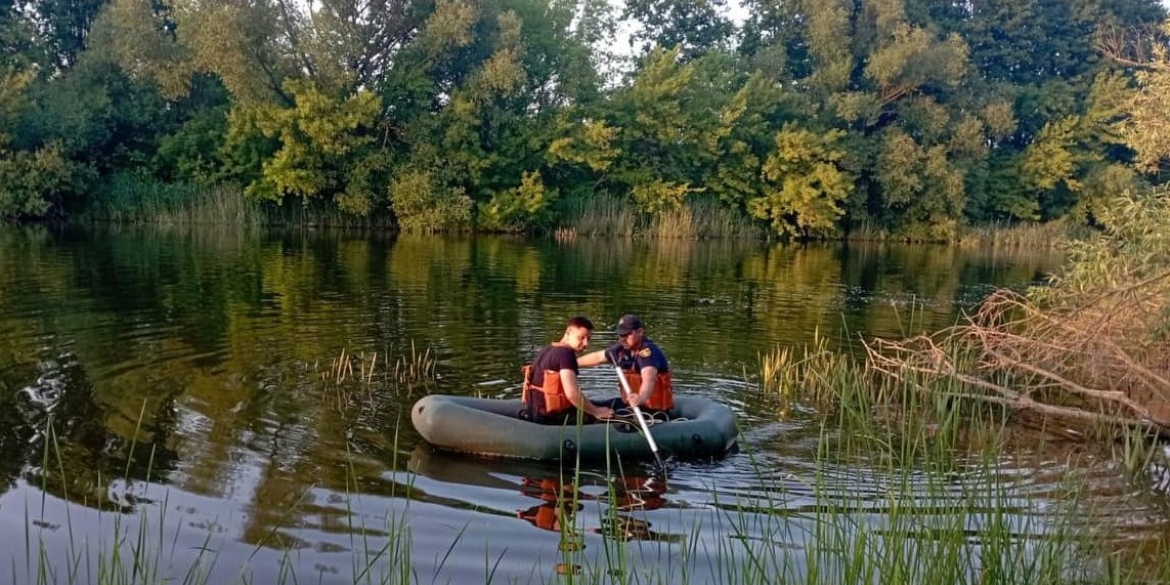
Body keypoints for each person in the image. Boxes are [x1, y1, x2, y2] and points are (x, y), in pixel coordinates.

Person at [521, 316, 616, 425]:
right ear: (568, 332)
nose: (586, 343)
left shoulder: (547, 349)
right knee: (614, 408)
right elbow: (572, 394)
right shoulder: (566, 354)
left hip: (534, 412)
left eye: (588, 339)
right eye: (581, 337)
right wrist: (596, 411)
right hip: (552, 418)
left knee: (600, 404)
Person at [579, 314, 674, 415]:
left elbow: (648, 379)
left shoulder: (647, 353)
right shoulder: (621, 349)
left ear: (640, 332)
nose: (623, 339)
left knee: (615, 414)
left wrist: (640, 398)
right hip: (629, 405)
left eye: (627, 334)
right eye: (621, 335)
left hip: (651, 410)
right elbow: (598, 357)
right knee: (594, 406)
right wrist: (571, 363)